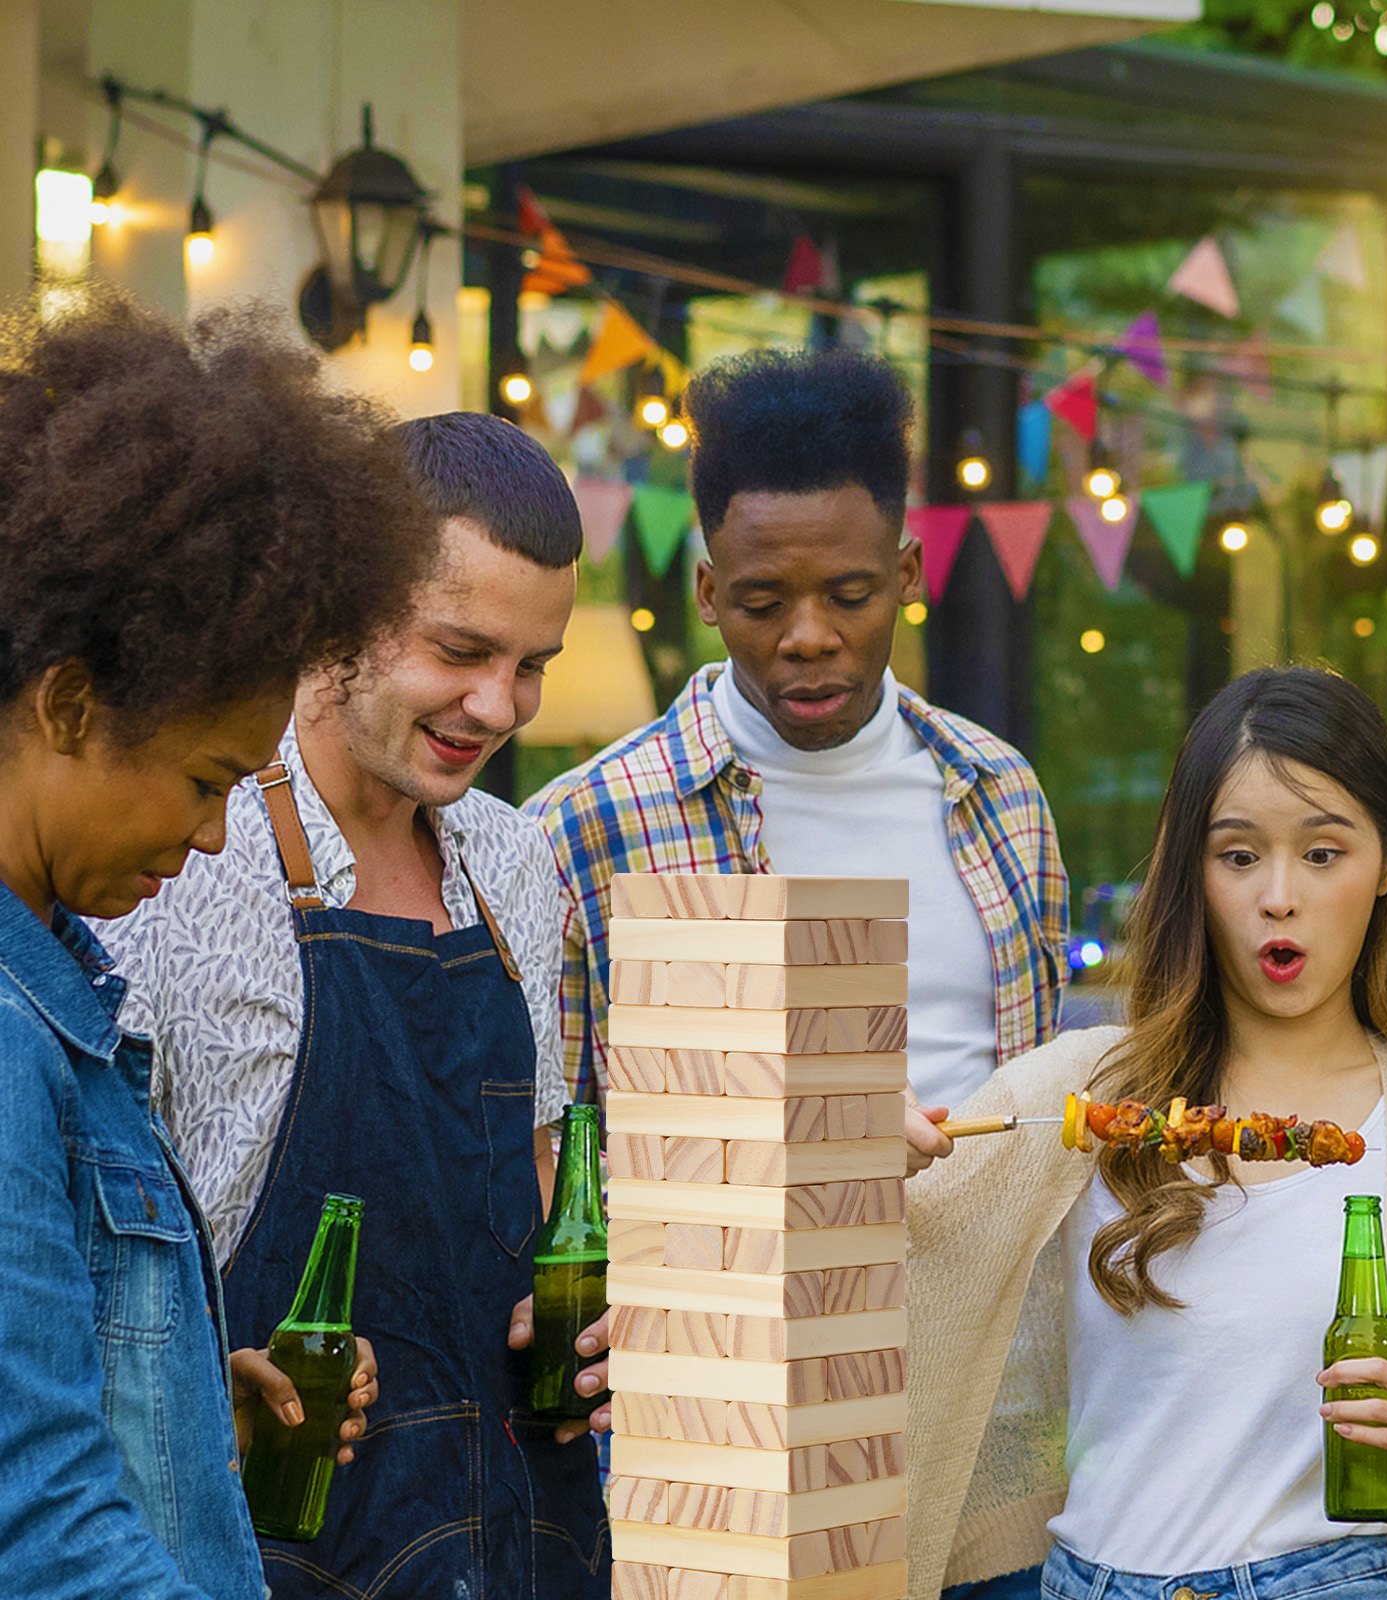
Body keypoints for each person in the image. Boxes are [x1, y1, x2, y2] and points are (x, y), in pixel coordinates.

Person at [900, 665, 1387, 1600]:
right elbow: (897, 1274)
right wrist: (854, 1164)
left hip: (1338, 1577)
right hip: (1093, 1578)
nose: (1279, 896)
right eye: (1237, 856)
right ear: (1193, 871)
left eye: (1323, 853)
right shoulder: (1083, 1090)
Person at [100, 413, 610, 1599]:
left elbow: (537, 1173)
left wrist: (593, 1317)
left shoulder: (516, 861)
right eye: (460, 650)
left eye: (531, 665)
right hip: (264, 1538)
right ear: (334, 609)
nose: (498, 706)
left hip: (521, 1536)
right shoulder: (184, 855)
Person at [0, 294, 405, 1597]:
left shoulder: (60, 989)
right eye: (205, 780)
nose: (219, 833)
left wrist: (176, 1415)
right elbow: (42, 1536)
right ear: (70, 705)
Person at [529, 346, 1069, 1165]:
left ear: (907, 575)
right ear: (709, 594)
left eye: (849, 597)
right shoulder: (584, 828)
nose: (809, 637)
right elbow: (546, 1163)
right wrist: (805, 1143)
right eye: (762, 603)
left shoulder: (1003, 794)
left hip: (993, 1254)